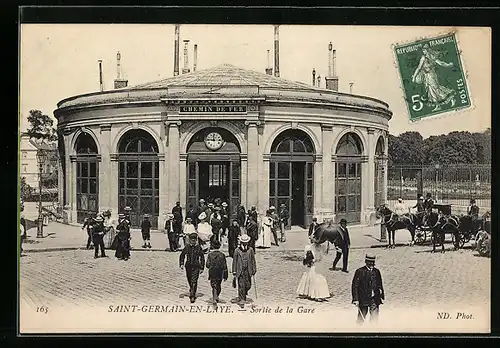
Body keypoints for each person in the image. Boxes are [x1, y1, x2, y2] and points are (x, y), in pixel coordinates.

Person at [352, 254, 385, 324]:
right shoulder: (360, 271)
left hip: (374, 298)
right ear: (366, 261)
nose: (371, 264)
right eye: (369, 262)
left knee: (374, 318)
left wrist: (381, 292)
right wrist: (356, 299)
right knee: (361, 318)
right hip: (363, 298)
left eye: (373, 262)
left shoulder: (376, 271)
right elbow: (355, 286)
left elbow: (379, 283)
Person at [179, 233, 205, 303]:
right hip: (188, 266)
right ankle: (192, 289)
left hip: (196, 266)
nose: (193, 241)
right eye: (191, 240)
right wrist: (181, 264)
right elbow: (182, 255)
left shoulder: (199, 247)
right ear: (189, 240)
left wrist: (202, 267)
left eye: (194, 240)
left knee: (194, 281)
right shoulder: (187, 247)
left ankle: (192, 296)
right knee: (189, 280)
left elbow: (202, 258)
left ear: (196, 240)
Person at [231, 234, 257, 305]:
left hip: (248, 270)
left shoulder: (250, 250)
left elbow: (253, 260)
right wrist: (234, 270)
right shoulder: (237, 250)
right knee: (241, 284)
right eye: (244, 242)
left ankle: (244, 292)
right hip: (240, 270)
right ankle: (242, 298)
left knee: (248, 284)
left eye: (246, 242)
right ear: (241, 242)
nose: (245, 243)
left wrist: (254, 269)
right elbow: (234, 261)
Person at [206, 239, 229, 304]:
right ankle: (216, 296)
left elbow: (207, 265)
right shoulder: (222, 255)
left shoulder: (210, 255)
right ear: (219, 246)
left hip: (212, 272)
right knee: (218, 284)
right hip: (220, 273)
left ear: (212, 246)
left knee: (213, 285)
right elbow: (225, 266)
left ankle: (214, 297)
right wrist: (225, 275)